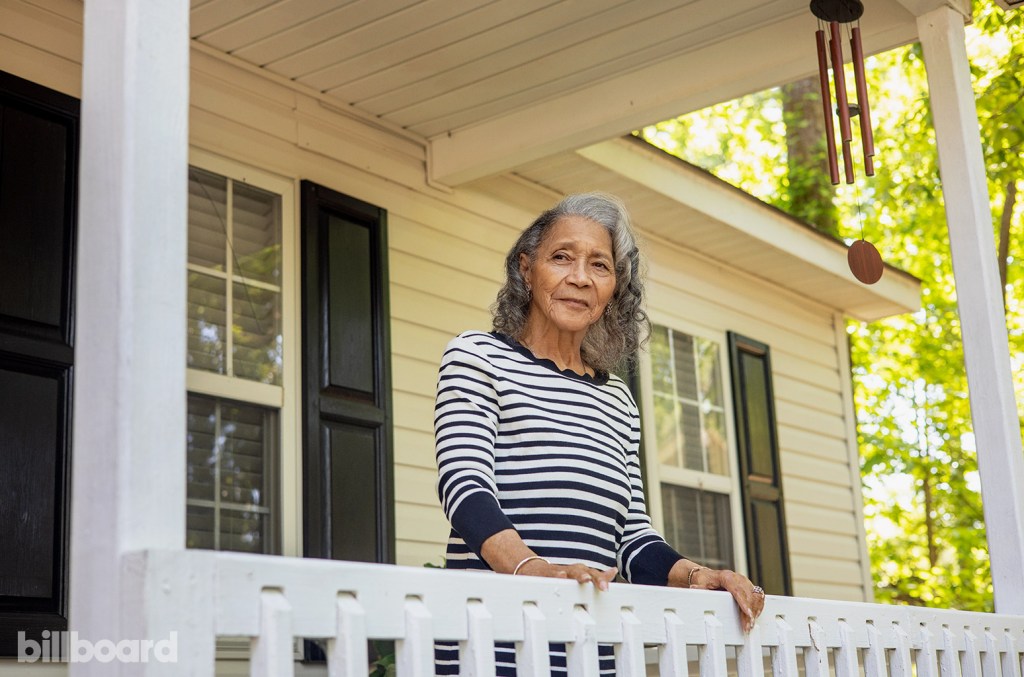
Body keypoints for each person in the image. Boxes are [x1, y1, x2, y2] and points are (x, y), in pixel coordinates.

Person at [434, 193, 765, 675]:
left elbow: (632, 537)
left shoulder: (616, 399)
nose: (580, 278)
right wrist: (534, 572)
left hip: (588, 650)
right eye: (561, 257)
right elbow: (465, 488)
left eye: (600, 265)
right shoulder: (478, 356)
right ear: (527, 270)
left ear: (615, 287)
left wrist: (697, 575)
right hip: (489, 646)